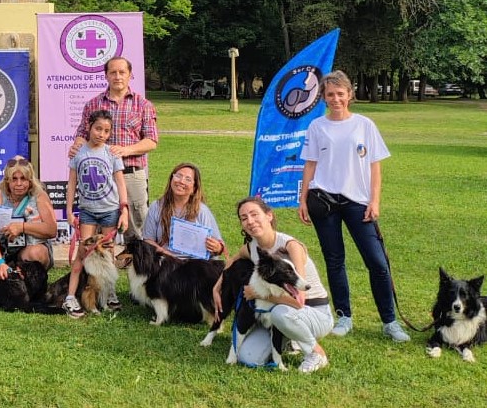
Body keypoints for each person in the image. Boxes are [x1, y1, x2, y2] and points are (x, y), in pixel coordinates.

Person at [298, 70, 410, 342]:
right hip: (324, 200)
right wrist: (302, 199)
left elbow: (375, 168)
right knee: (335, 261)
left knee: (377, 262)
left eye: (340, 93)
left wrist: (375, 201)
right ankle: (344, 316)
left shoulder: (364, 125)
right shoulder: (317, 127)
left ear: (350, 94)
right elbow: (310, 164)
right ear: (323, 97)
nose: (335, 99)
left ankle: (390, 322)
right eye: (330, 94)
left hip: (358, 202)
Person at [213, 197, 333, 373]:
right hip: (280, 314)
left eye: (255, 214)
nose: (250, 221)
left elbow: (299, 301)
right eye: (244, 218)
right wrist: (217, 287)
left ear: (269, 216)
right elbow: (233, 260)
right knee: (248, 357)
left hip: (312, 312)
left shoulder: (291, 247)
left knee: (279, 314)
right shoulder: (253, 247)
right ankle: (290, 340)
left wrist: (259, 294)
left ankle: (317, 354)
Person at [69, 56, 158, 240]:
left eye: (122, 72)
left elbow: (151, 141)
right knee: (96, 239)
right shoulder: (93, 104)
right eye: (113, 72)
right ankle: (96, 268)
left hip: (130, 174)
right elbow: (81, 134)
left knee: (136, 233)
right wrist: (76, 145)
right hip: (98, 178)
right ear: (106, 75)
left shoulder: (143, 105)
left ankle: (138, 268)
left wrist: (126, 150)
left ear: (130, 75)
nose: (118, 76)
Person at [62, 110, 128, 318]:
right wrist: (69, 210)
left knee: (108, 255)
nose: (101, 134)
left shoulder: (111, 154)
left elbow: (120, 182)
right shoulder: (79, 153)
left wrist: (124, 209)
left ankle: (109, 293)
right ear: (89, 127)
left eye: (106, 131)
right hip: (88, 212)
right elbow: (72, 183)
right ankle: (71, 297)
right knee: (83, 254)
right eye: (98, 128)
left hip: (110, 211)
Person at [0, 156, 57, 279]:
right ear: (7, 181)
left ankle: (28, 277)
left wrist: (22, 227)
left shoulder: (39, 195)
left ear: (30, 181)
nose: (19, 183)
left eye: (23, 179)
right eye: (14, 179)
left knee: (37, 253)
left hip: (28, 249)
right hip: (2, 249)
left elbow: (51, 230)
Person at [142, 162, 225, 259]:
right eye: (178, 176)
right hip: (165, 262)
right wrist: (167, 255)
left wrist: (217, 247)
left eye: (188, 179)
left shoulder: (202, 211)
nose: (181, 181)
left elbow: (219, 247)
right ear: (171, 179)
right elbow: (148, 240)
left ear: (194, 188)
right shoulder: (156, 207)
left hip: (195, 264)